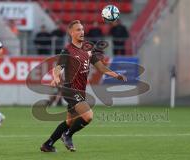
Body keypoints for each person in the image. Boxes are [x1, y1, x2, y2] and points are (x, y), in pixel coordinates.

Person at [40, 20, 127, 152]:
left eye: (82, 29)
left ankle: (47, 144)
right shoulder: (67, 50)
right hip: (70, 89)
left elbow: (101, 67)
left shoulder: (88, 49)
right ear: (71, 32)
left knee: (69, 122)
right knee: (88, 116)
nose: (82, 32)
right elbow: (58, 66)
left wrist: (116, 75)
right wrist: (56, 76)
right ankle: (68, 135)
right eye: (78, 30)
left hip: (81, 91)